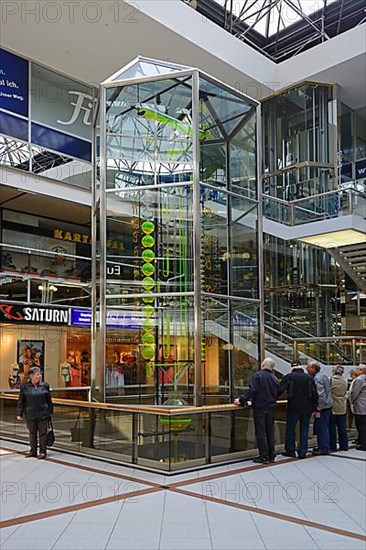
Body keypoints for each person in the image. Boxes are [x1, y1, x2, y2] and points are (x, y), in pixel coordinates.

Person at [234, 358, 279, 464]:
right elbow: (279, 389)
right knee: (270, 432)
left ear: (263, 364)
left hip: (260, 407)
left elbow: (252, 390)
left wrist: (241, 400)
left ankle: (264, 456)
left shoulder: (258, 375)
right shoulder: (274, 377)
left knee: (261, 432)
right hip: (271, 407)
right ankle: (271, 456)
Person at [278, 360, 318, 459]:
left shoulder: (289, 377)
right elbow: (314, 393)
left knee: (290, 429)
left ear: (292, 367)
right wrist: (314, 407)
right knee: (304, 429)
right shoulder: (309, 378)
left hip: (293, 406)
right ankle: (302, 451)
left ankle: (290, 450)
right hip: (307, 408)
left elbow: (279, 390)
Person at [16, 366, 53, 459]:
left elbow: (49, 400)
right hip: (30, 413)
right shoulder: (25, 387)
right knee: (32, 433)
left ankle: (42, 451)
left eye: (40, 374)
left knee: (43, 433)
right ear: (31, 376)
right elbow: (21, 401)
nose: (39, 376)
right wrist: (19, 413)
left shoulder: (45, 385)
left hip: (43, 414)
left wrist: (50, 412)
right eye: (37, 374)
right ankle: (33, 451)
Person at [307, 360, 332, 455]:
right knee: (324, 428)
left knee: (322, 429)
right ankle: (323, 446)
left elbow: (321, 395)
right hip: (328, 406)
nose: (307, 369)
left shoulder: (317, 379)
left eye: (308, 368)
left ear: (313, 368)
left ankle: (323, 448)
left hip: (322, 408)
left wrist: (318, 408)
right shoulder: (323, 376)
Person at [329, 365, 348, 452]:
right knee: (342, 427)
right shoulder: (345, 381)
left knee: (332, 427)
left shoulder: (331, 380)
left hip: (333, 405)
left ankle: (332, 445)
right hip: (342, 405)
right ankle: (344, 445)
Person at [349, 365, 366, 451]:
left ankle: (363, 444)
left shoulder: (359, 380)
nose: (356, 370)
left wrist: (351, 400)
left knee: (360, 425)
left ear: (362, 370)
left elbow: (354, 392)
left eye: (358, 369)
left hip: (360, 405)